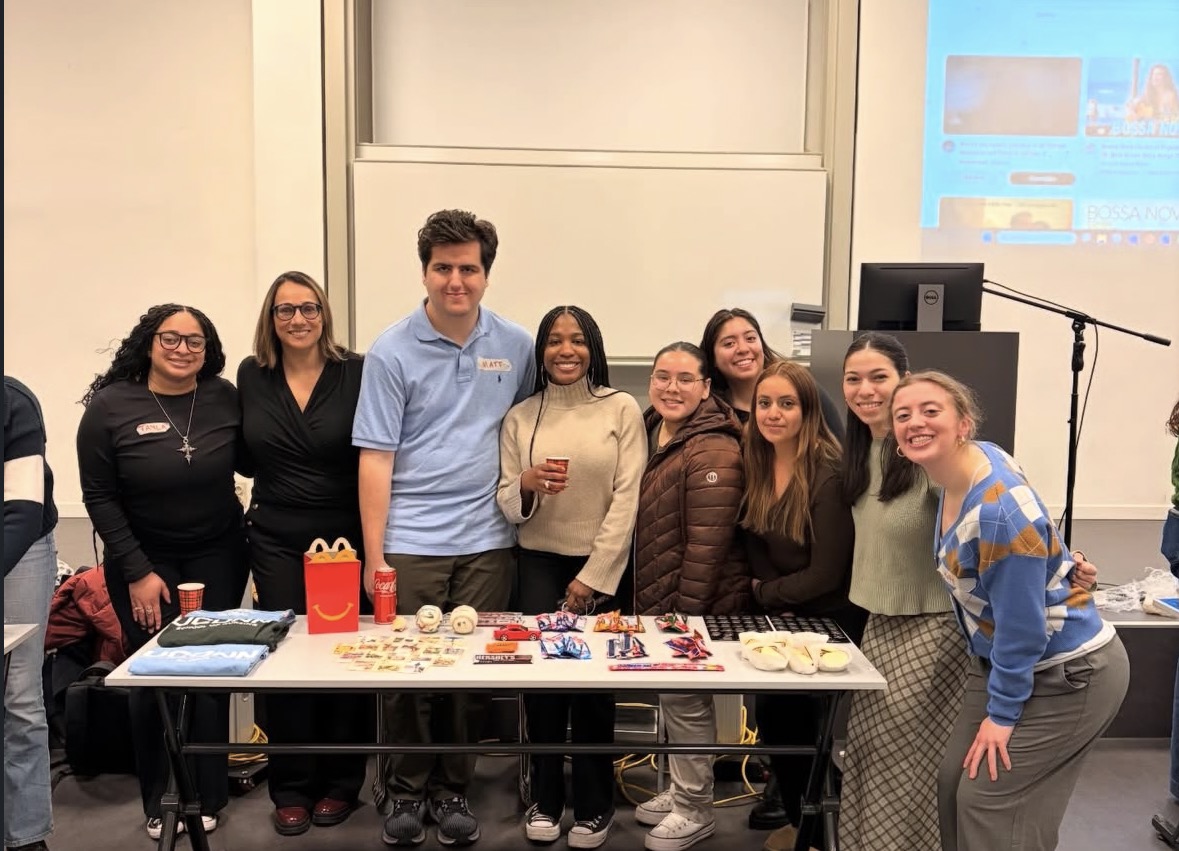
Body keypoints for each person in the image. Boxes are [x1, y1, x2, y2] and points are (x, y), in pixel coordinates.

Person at [353, 209, 535, 847]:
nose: (456, 280)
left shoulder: (516, 345)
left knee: (467, 676)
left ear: (486, 273)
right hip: (411, 542)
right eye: (443, 268)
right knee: (406, 678)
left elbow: (530, 428)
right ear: (424, 271)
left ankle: (453, 787)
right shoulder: (391, 349)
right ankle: (403, 794)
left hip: (489, 540)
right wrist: (377, 556)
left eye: (469, 268)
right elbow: (375, 457)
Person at [890, 370, 1129, 851]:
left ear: (963, 423)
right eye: (903, 415)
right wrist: (1066, 563)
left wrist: (1002, 714)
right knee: (953, 782)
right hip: (1005, 659)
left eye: (930, 411)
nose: (915, 422)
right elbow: (1037, 539)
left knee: (990, 803)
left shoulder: (996, 508)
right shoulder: (976, 464)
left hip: (1067, 673)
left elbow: (1022, 629)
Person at [77, 304, 248, 840]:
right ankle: (162, 797)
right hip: (144, 563)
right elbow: (98, 497)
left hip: (220, 553)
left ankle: (209, 792)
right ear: (148, 343)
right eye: (170, 338)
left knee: (213, 671)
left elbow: (253, 459)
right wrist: (137, 571)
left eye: (194, 341)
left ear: (208, 349)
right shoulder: (109, 407)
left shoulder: (223, 397)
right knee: (154, 676)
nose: (182, 349)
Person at [496, 305, 645, 849]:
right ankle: (545, 799)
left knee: (593, 692)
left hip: (602, 570)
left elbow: (628, 499)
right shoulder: (520, 416)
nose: (566, 350)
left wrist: (594, 577)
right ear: (540, 351)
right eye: (554, 340)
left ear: (593, 347)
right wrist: (528, 484)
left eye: (577, 340)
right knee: (542, 689)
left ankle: (594, 805)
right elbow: (507, 504)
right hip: (536, 564)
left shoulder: (621, 408)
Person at [237, 271, 371, 836]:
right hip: (275, 538)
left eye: (308, 308)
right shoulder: (252, 374)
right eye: (285, 309)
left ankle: (342, 784)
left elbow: (378, 450)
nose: (297, 319)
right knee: (286, 659)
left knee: (343, 657)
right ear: (271, 317)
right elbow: (242, 453)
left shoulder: (357, 370)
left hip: (345, 537)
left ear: (325, 314)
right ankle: (290, 785)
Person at [832, 331, 969, 851]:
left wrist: (1065, 564)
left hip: (934, 624)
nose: (865, 389)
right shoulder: (862, 450)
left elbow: (991, 506)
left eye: (879, 377)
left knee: (902, 759)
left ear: (903, 382)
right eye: (853, 378)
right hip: (880, 622)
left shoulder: (923, 449)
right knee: (867, 749)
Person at [738, 362, 865, 851]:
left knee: (799, 728)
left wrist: (767, 596)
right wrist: (772, 602)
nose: (773, 413)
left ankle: (816, 832)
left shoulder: (828, 472)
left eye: (786, 403)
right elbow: (754, 545)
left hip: (830, 617)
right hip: (783, 616)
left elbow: (827, 573)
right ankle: (801, 824)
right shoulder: (757, 460)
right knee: (772, 720)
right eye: (764, 403)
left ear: (808, 410)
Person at [631, 342, 749, 851]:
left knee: (686, 701)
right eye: (662, 377)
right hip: (661, 594)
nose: (670, 387)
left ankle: (696, 809)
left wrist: (683, 614)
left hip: (691, 601)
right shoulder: (653, 429)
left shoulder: (714, 447)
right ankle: (683, 789)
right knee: (676, 699)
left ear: (705, 388)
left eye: (684, 379)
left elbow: (708, 543)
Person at [4, 377, 59, 851]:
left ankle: (25, 835)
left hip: (21, 550)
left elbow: (21, 509)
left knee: (19, 696)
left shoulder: (13, 402)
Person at [699, 308, 844, 442]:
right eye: (729, 343)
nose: (743, 349)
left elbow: (839, 448)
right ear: (712, 358)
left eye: (750, 338)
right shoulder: (709, 414)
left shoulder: (801, 387)